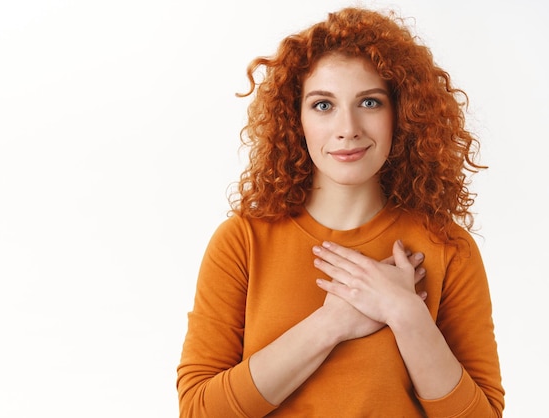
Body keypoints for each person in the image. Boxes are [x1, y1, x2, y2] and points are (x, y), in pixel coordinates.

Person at [176, 6, 504, 417]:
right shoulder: (243, 241)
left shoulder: (447, 248)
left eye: (369, 101)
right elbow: (199, 411)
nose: (347, 128)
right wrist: (333, 322)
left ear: (400, 114)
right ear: (295, 119)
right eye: (323, 105)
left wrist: (404, 313)